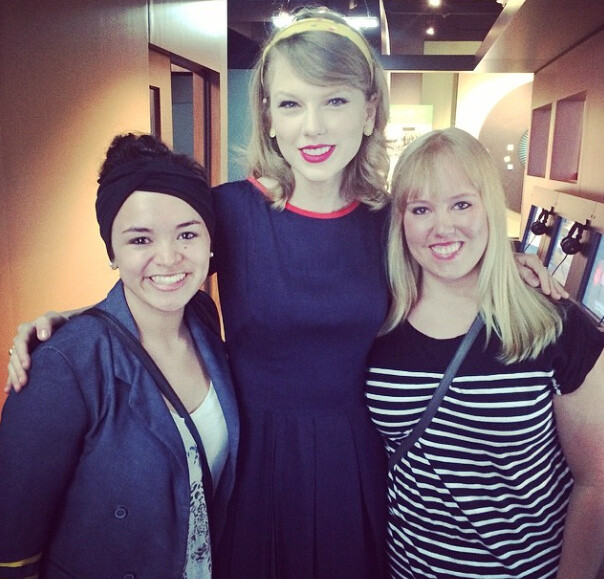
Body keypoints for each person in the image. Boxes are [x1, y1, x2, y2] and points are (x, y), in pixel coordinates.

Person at [4, 9, 566, 578]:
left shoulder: (389, 223)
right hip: (254, 458)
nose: (313, 128)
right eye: (292, 104)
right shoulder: (229, 211)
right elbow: (161, 277)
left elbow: (450, 253)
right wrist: (74, 322)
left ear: (371, 110)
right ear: (268, 116)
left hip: (357, 459)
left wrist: (511, 262)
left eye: (336, 101)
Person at [365, 127, 604, 578]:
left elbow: (597, 481)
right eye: (421, 209)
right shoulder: (375, 322)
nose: (442, 227)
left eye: (461, 204)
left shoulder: (552, 325)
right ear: (400, 219)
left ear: (489, 209)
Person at [0, 133, 239, 579]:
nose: (169, 258)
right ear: (112, 251)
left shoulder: (204, 319)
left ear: (209, 242)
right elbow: (12, 545)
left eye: (187, 233)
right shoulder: (62, 368)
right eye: (140, 240)